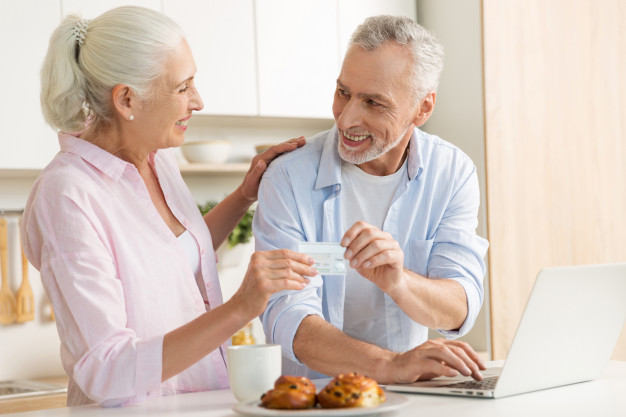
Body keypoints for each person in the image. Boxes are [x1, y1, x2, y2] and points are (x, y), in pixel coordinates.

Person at [21, 6, 314, 407]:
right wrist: (240, 307)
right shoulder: (67, 194)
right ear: (127, 99)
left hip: (206, 402)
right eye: (183, 87)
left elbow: (172, 257)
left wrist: (244, 193)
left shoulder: (159, 160)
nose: (198, 101)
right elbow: (106, 368)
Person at [254, 15, 489, 383]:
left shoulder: (452, 173)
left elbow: (460, 307)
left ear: (423, 108)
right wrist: (390, 366)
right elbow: (289, 318)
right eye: (343, 92)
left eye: (374, 103)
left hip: (414, 398)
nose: (347, 119)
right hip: (313, 399)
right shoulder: (288, 178)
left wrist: (400, 282)